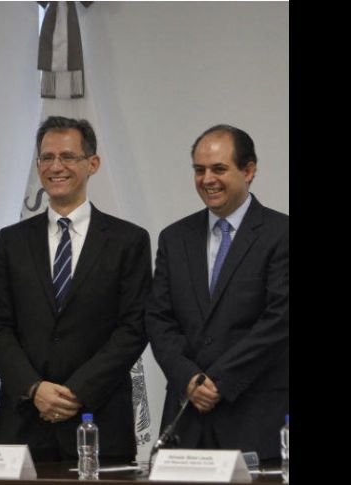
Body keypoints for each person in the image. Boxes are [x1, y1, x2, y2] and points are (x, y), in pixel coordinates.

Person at [0, 116, 152, 462]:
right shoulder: (11, 240)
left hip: (99, 419)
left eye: (68, 156)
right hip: (23, 421)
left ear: (93, 163)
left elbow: (133, 328)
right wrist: (34, 388)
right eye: (47, 157)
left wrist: (76, 391)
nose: (55, 166)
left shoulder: (128, 240)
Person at [145, 124, 288, 459]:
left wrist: (220, 380)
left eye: (219, 169)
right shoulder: (174, 238)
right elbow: (158, 318)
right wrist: (189, 379)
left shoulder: (281, 234)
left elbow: (280, 319)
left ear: (248, 171)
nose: (207, 179)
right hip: (186, 417)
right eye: (199, 170)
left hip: (255, 416)